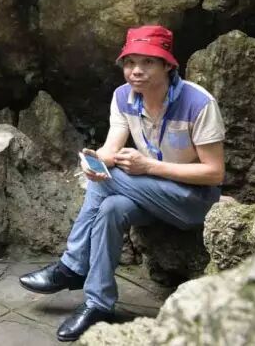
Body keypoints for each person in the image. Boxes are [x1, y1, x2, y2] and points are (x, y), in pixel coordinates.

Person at [18, 25, 226, 342]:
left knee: (109, 183)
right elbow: (111, 150)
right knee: (111, 208)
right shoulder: (123, 97)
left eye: (147, 62)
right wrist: (93, 161)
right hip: (150, 196)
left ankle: (72, 266)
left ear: (168, 65)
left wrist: (149, 166)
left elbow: (214, 173)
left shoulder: (199, 103)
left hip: (194, 201)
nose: (135, 71)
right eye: (129, 62)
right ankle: (98, 303)